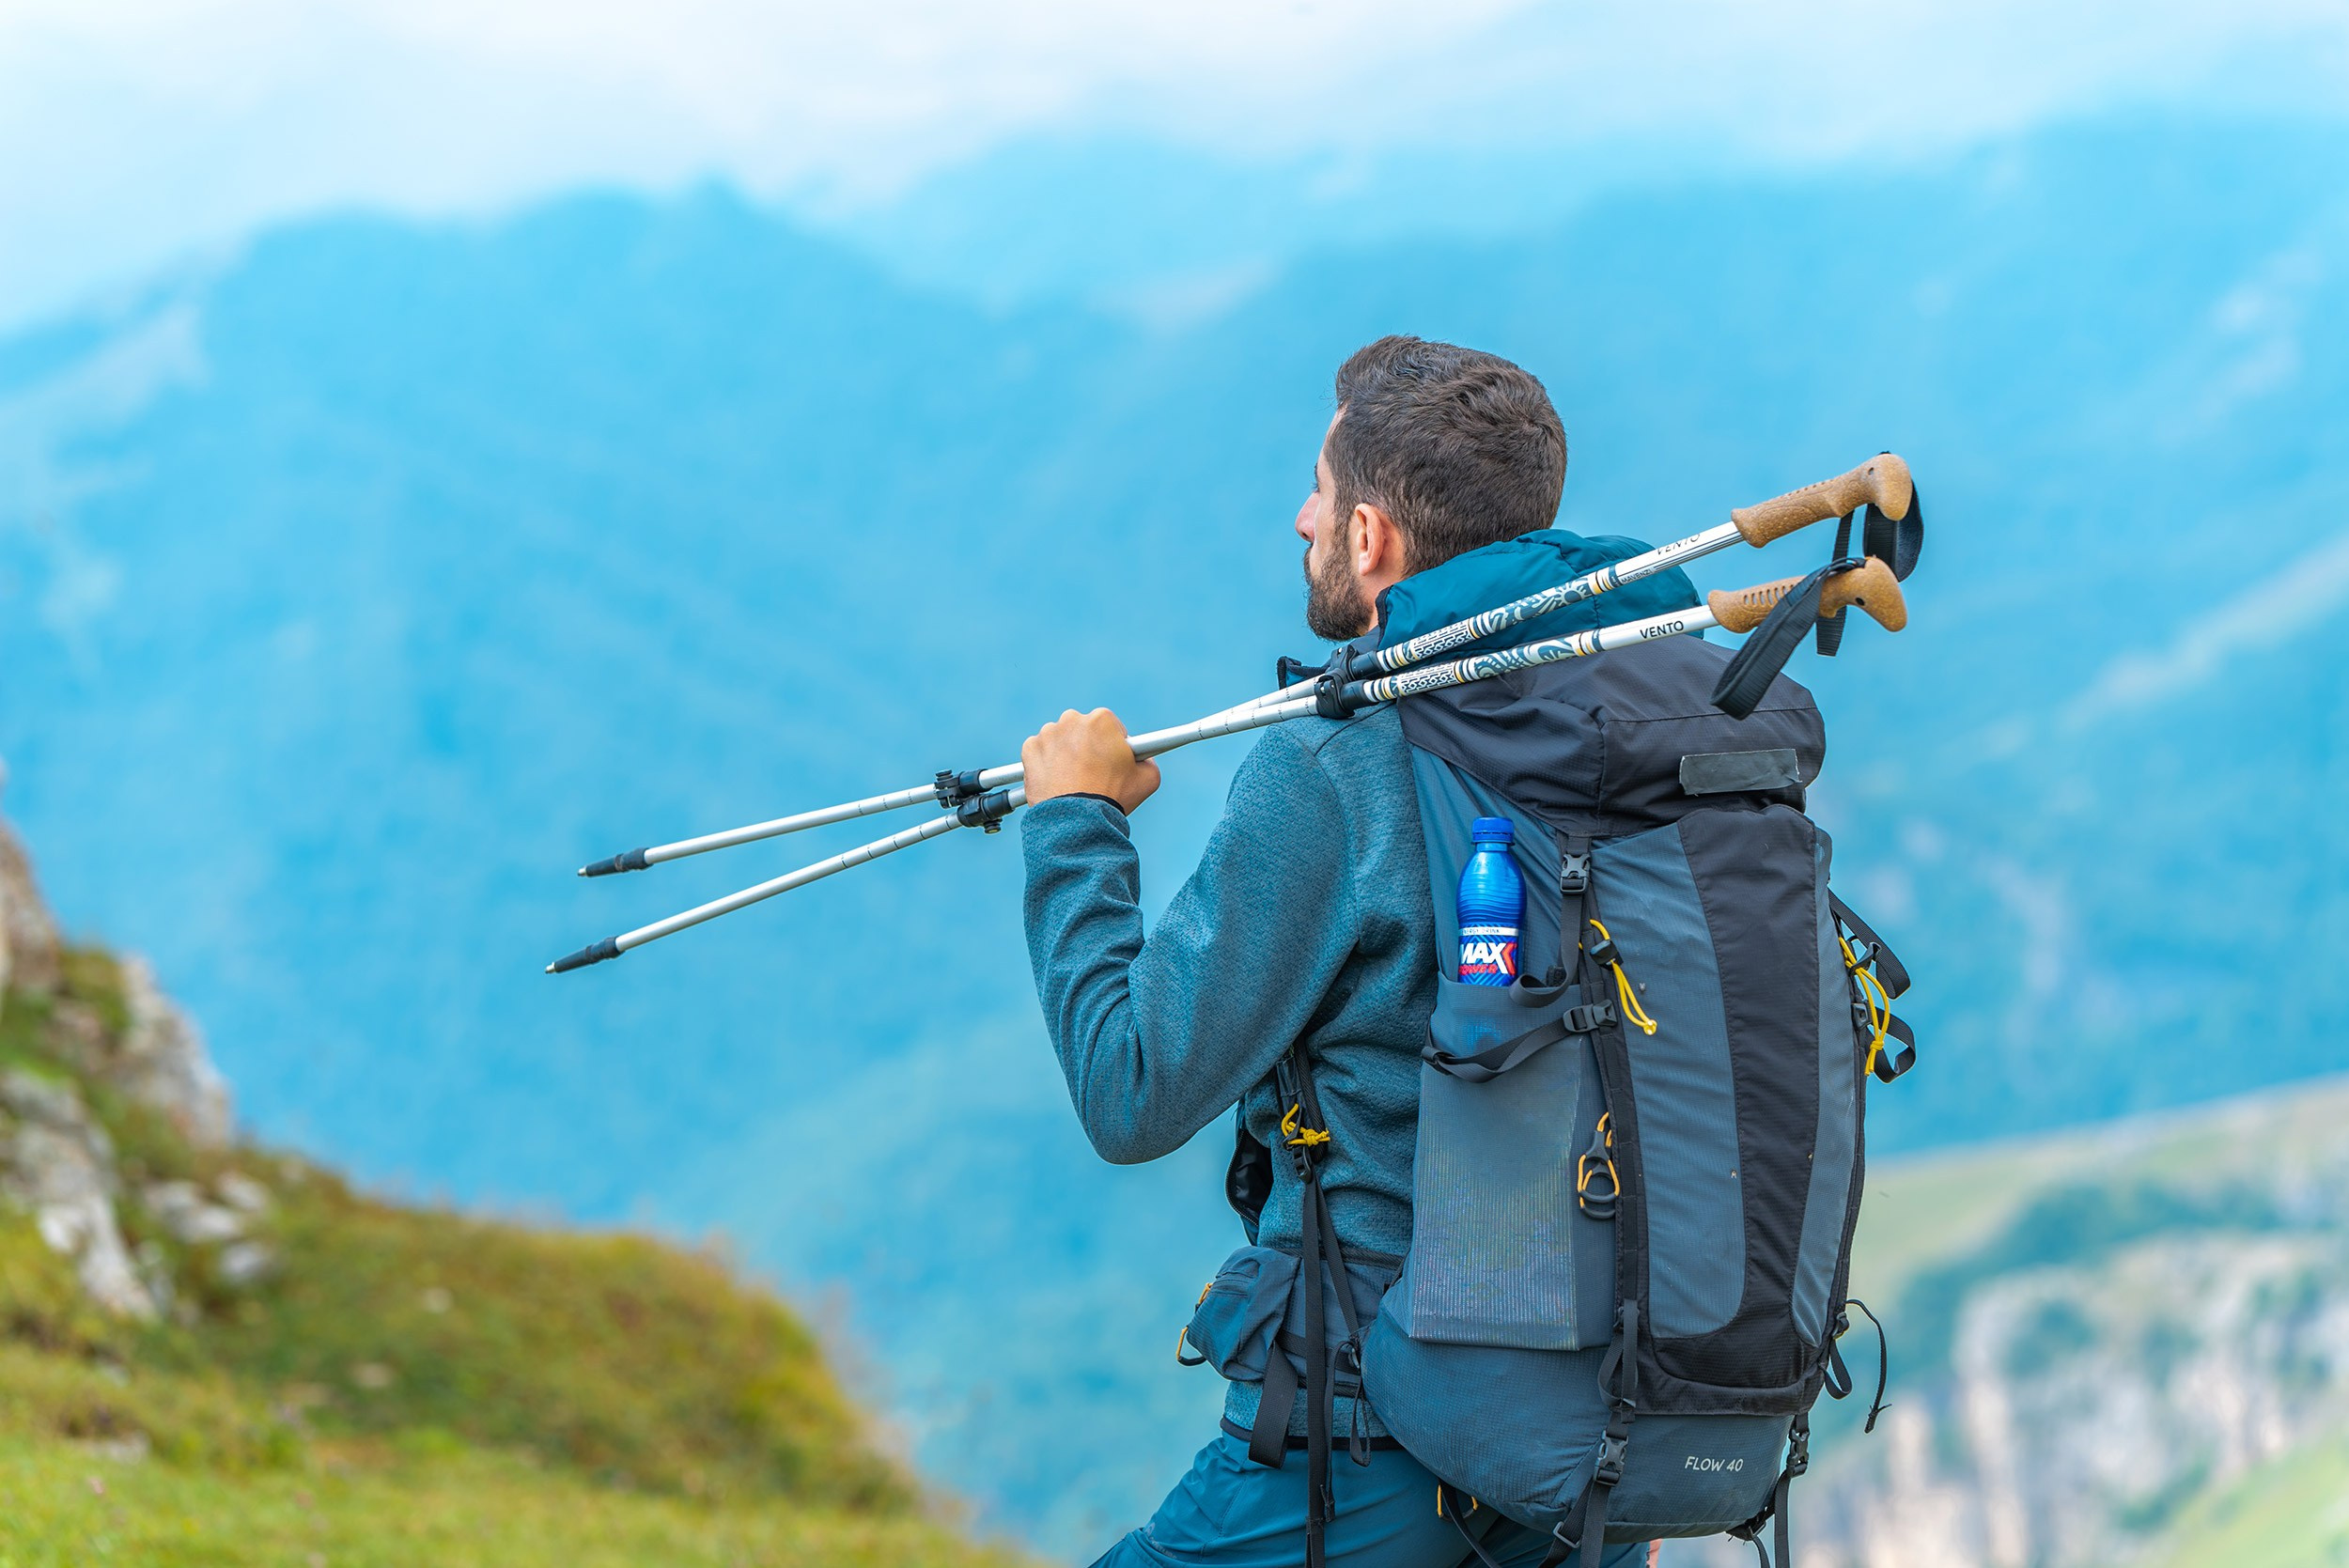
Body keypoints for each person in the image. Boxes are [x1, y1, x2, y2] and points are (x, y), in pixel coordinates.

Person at [1018, 337, 1671, 1568]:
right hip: (1591, 1435)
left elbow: (1133, 1087)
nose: (1300, 516)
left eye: (1321, 493)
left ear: (1371, 539)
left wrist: (1075, 827)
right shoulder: (1630, 724)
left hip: (1376, 1437)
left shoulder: (1338, 765)